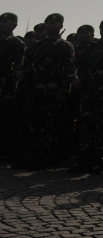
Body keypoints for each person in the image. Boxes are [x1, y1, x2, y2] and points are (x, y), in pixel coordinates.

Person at [13, 13, 74, 170]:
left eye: (54, 24)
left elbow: (68, 72)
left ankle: (43, 158)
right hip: (34, 92)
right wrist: (20, 72)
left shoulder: (65, 46)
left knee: (48, 127)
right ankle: (28, 157)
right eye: (48, 23)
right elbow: (26, 66)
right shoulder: (37, 46)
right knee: (31, 125)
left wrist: (63, 92)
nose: (49, 26)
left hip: (52, 93)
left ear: (61, 26)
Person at [68, 18, 103, 173]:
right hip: (88, 93)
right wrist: (74, 79)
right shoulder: (90, 47)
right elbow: (75, 65)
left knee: (102, 129)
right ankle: (83, 160)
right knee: (85, 126)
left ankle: (97, 161)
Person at [0, 13, 25, 162]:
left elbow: (18, 69)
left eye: (6, 21)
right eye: (1, 21)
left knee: (5, 120)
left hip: (5, 87)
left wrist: (10, 90)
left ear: (14, 25)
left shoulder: (16, 43)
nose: (2, 24)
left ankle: (4, 151)